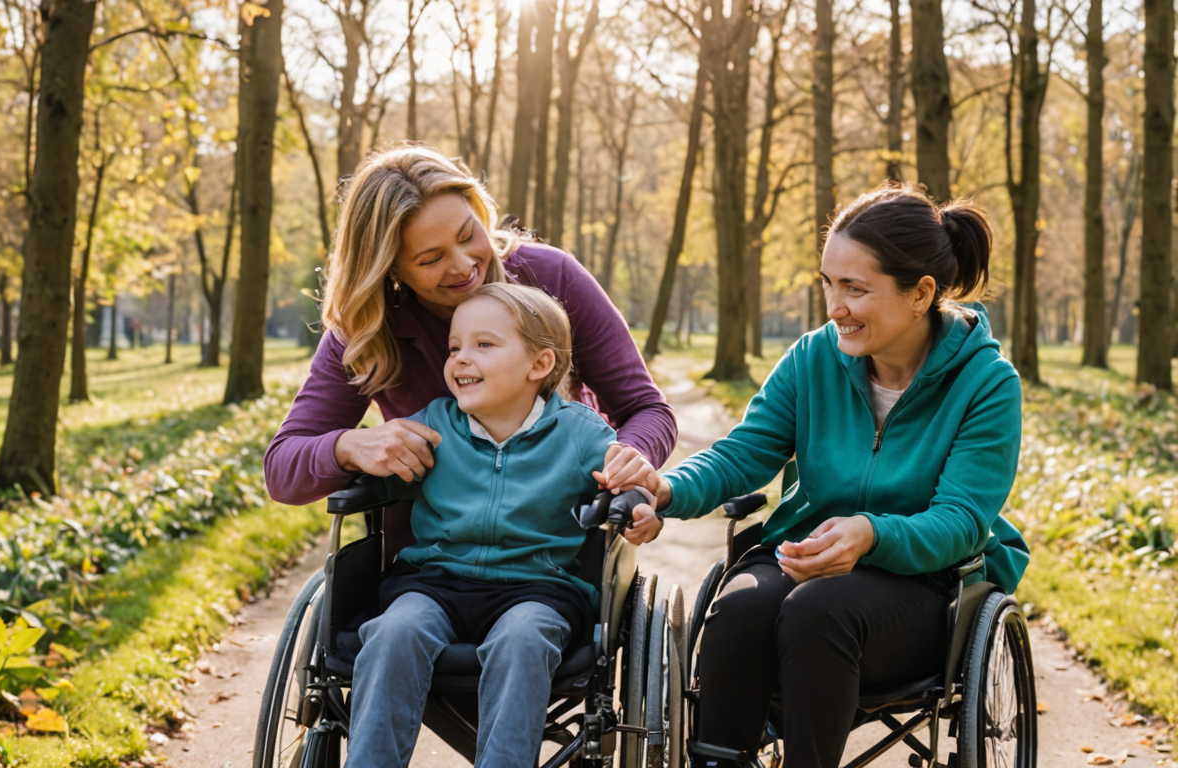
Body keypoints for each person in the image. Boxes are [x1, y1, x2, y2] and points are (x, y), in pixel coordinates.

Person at [635, 183, 1031, 768]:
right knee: (740, 606)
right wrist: (668, 489)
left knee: (818, 610)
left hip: (924, 584)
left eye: (855, 288)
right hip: (804, 553)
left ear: (921, 293)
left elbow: (962, 521)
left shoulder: (987, 384)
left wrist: (871, 534)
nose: (834, 306)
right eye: (828, 282)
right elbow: (744, 452)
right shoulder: (813, 357)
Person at [263, 144, 674, 548]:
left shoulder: (552, 279)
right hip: (428, 559)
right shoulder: (368, 328)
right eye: (430, 259)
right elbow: (282, 470)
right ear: (390, 268)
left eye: (467, 234)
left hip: (559, 548)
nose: (463, 265)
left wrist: (626, 459)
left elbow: (646, 408)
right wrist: (347, 446)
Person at [343, 283, 658, 768]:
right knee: (392, 633)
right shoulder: (434, 424)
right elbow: (386, 480)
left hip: (538, 588)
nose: (461, 359)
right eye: (455, 347)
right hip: (435, 583)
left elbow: (623, 482)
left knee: (524, 641)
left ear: (539, 365)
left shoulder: (580, 433)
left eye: (483, 345)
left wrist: (638, 503)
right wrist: (365, 465)